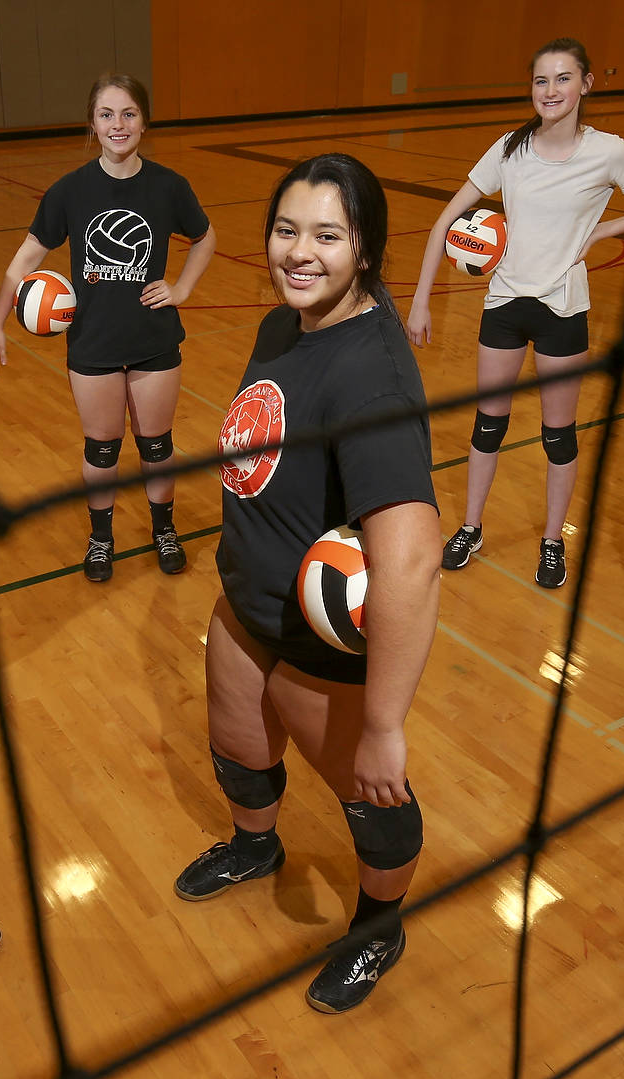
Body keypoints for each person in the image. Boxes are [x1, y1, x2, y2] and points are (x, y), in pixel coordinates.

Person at [177, 154, 440, 1015]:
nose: (300, 251)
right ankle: (256, 847)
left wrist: (384, 724)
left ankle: (379, 927)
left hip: (320, 643)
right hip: (247, 605)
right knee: (237, 748)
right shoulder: (281, 329)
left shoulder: (374, 374)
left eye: (327, 235)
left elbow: (410, 557)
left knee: (374, 800)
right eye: (287, 230)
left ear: (364, 250)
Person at [407, 37, 624, 588]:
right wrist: (420, 300)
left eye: (562, 78)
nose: (550, 90)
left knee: (559, 435)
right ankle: (470, 526)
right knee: (488, 426)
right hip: (505, 303)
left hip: (563, 307)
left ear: (585, 84)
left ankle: (552, 541)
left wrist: (604, 229)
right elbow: (443, 223)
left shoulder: (609, 152)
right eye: (541, 80)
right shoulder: (509, 149)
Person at [0, 74, 218, 582]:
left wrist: (181, 289)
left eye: (129, 114)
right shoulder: (69, 191)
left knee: (157, 445)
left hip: (155, 338)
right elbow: (25, 258)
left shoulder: (168, 185)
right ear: (92, 123)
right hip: (92, 343)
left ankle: (164, 529)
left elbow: (205, 236)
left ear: (144, 121)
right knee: (103, 450)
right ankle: (100, 538)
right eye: (107, 115)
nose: (118, 125)